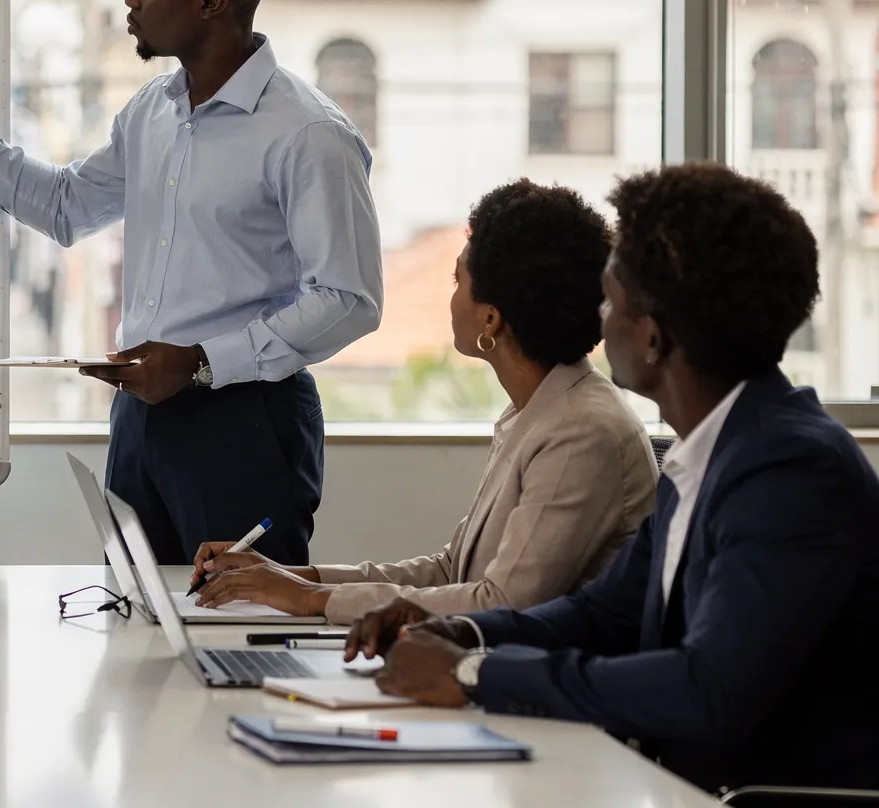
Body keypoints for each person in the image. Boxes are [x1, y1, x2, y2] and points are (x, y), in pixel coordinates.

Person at [0, 0, 381, 566]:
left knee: (241, 628)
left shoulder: (309, 134)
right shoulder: (153, 112)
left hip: (244, 421)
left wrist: (201, 363)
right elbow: (64, 205)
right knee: (139, 626)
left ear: (210, 0)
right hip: (144, 418)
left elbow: (349, 302)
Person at [349, 163, 879, 796]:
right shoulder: (714, 452)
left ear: (652, 338)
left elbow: (707, 688)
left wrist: (474, 676)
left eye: (610, 301)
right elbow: (602, 615)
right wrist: (462, 631)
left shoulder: (789, 473)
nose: (595, 322)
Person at [190, 180, 657, 622]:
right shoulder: (537, 410)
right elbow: (455, 571)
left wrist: (314, 599)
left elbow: (503, 602)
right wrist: (293, 577)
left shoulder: (580, 432)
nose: (450, 300)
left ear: (491, 319)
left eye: (458, 282)